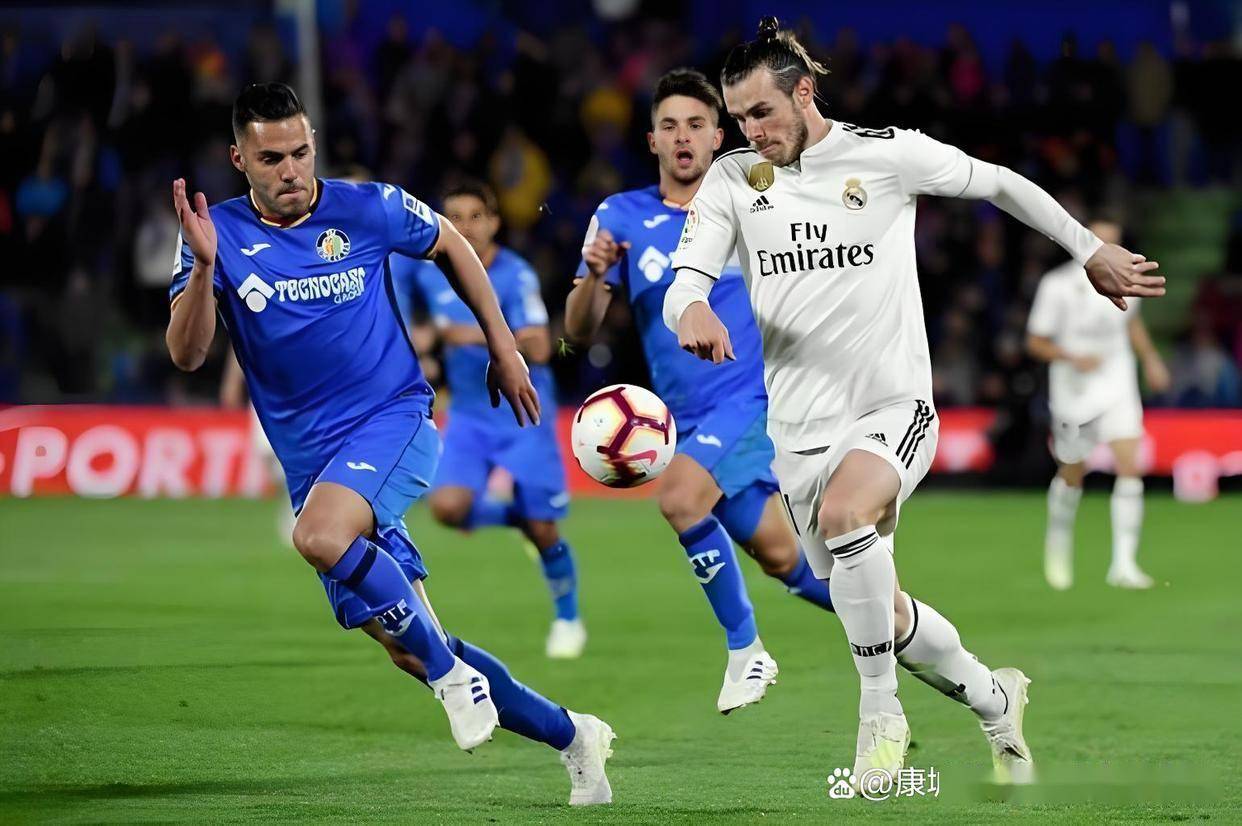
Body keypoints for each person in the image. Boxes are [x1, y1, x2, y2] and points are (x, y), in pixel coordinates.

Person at [663, 20, 1164, 783]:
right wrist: (691, 307)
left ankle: (880, 716)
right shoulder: (734, 180)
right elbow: (686, 280)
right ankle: (994, 698)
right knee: (884, 613)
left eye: (761, 111)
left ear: (804, 92)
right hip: (797, 430)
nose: (750, 131)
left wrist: (1088, 249)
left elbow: (999, 182)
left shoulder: (886, 153)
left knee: (847, 517)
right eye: (738, 118)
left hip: (892, 404)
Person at [166, 82, 613, 806]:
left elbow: (452, 244)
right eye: (271, 158)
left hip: (395, 421)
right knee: (413, 647)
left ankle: (453, 679)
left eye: (300, 151)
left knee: (318, 538)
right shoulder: (213, 236)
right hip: (316, 466)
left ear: (314, 143)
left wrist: (503, 345)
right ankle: (573, 735)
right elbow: (187, 354)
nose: (291, 170)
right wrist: (207, 266)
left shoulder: (368, 207)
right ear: (239, 159)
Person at [566, 68, 1016, 729]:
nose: (683, 137)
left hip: (757, 400)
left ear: (719, 136)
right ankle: (980, 686)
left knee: (680, 498)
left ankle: (746, 651)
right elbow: (578, 333)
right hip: (689, 418)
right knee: (798, 566)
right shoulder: (619, 218)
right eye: (669, 126)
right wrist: (594, 275)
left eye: (697, 124)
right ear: (652, 140)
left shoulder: (761, 197)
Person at [394, 181, 586, 659]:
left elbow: (540, 346)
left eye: (475, 216)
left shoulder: (514, 274)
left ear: (495, 222)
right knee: (447, 508)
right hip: (469, 415)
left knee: (545, 530)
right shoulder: (430, 272)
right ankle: (517, 516)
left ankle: (568, 619)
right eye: (454, 218)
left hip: (524, 413)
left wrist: (466, 333)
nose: (465, 228)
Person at [1027, 217, 1172, 590]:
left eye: (1114, 242)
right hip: (1074, 388)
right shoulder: (1057, 285)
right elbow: (1036, 341)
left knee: (1130, 465)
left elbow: (1131, 323)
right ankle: (1058, 539)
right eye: (1100, 240)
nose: (1108, 249)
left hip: (1117, 379)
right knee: (1072, 473)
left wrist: (1150, 359)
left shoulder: (1128, 276)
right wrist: (1071, 357)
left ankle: (1124, 564)